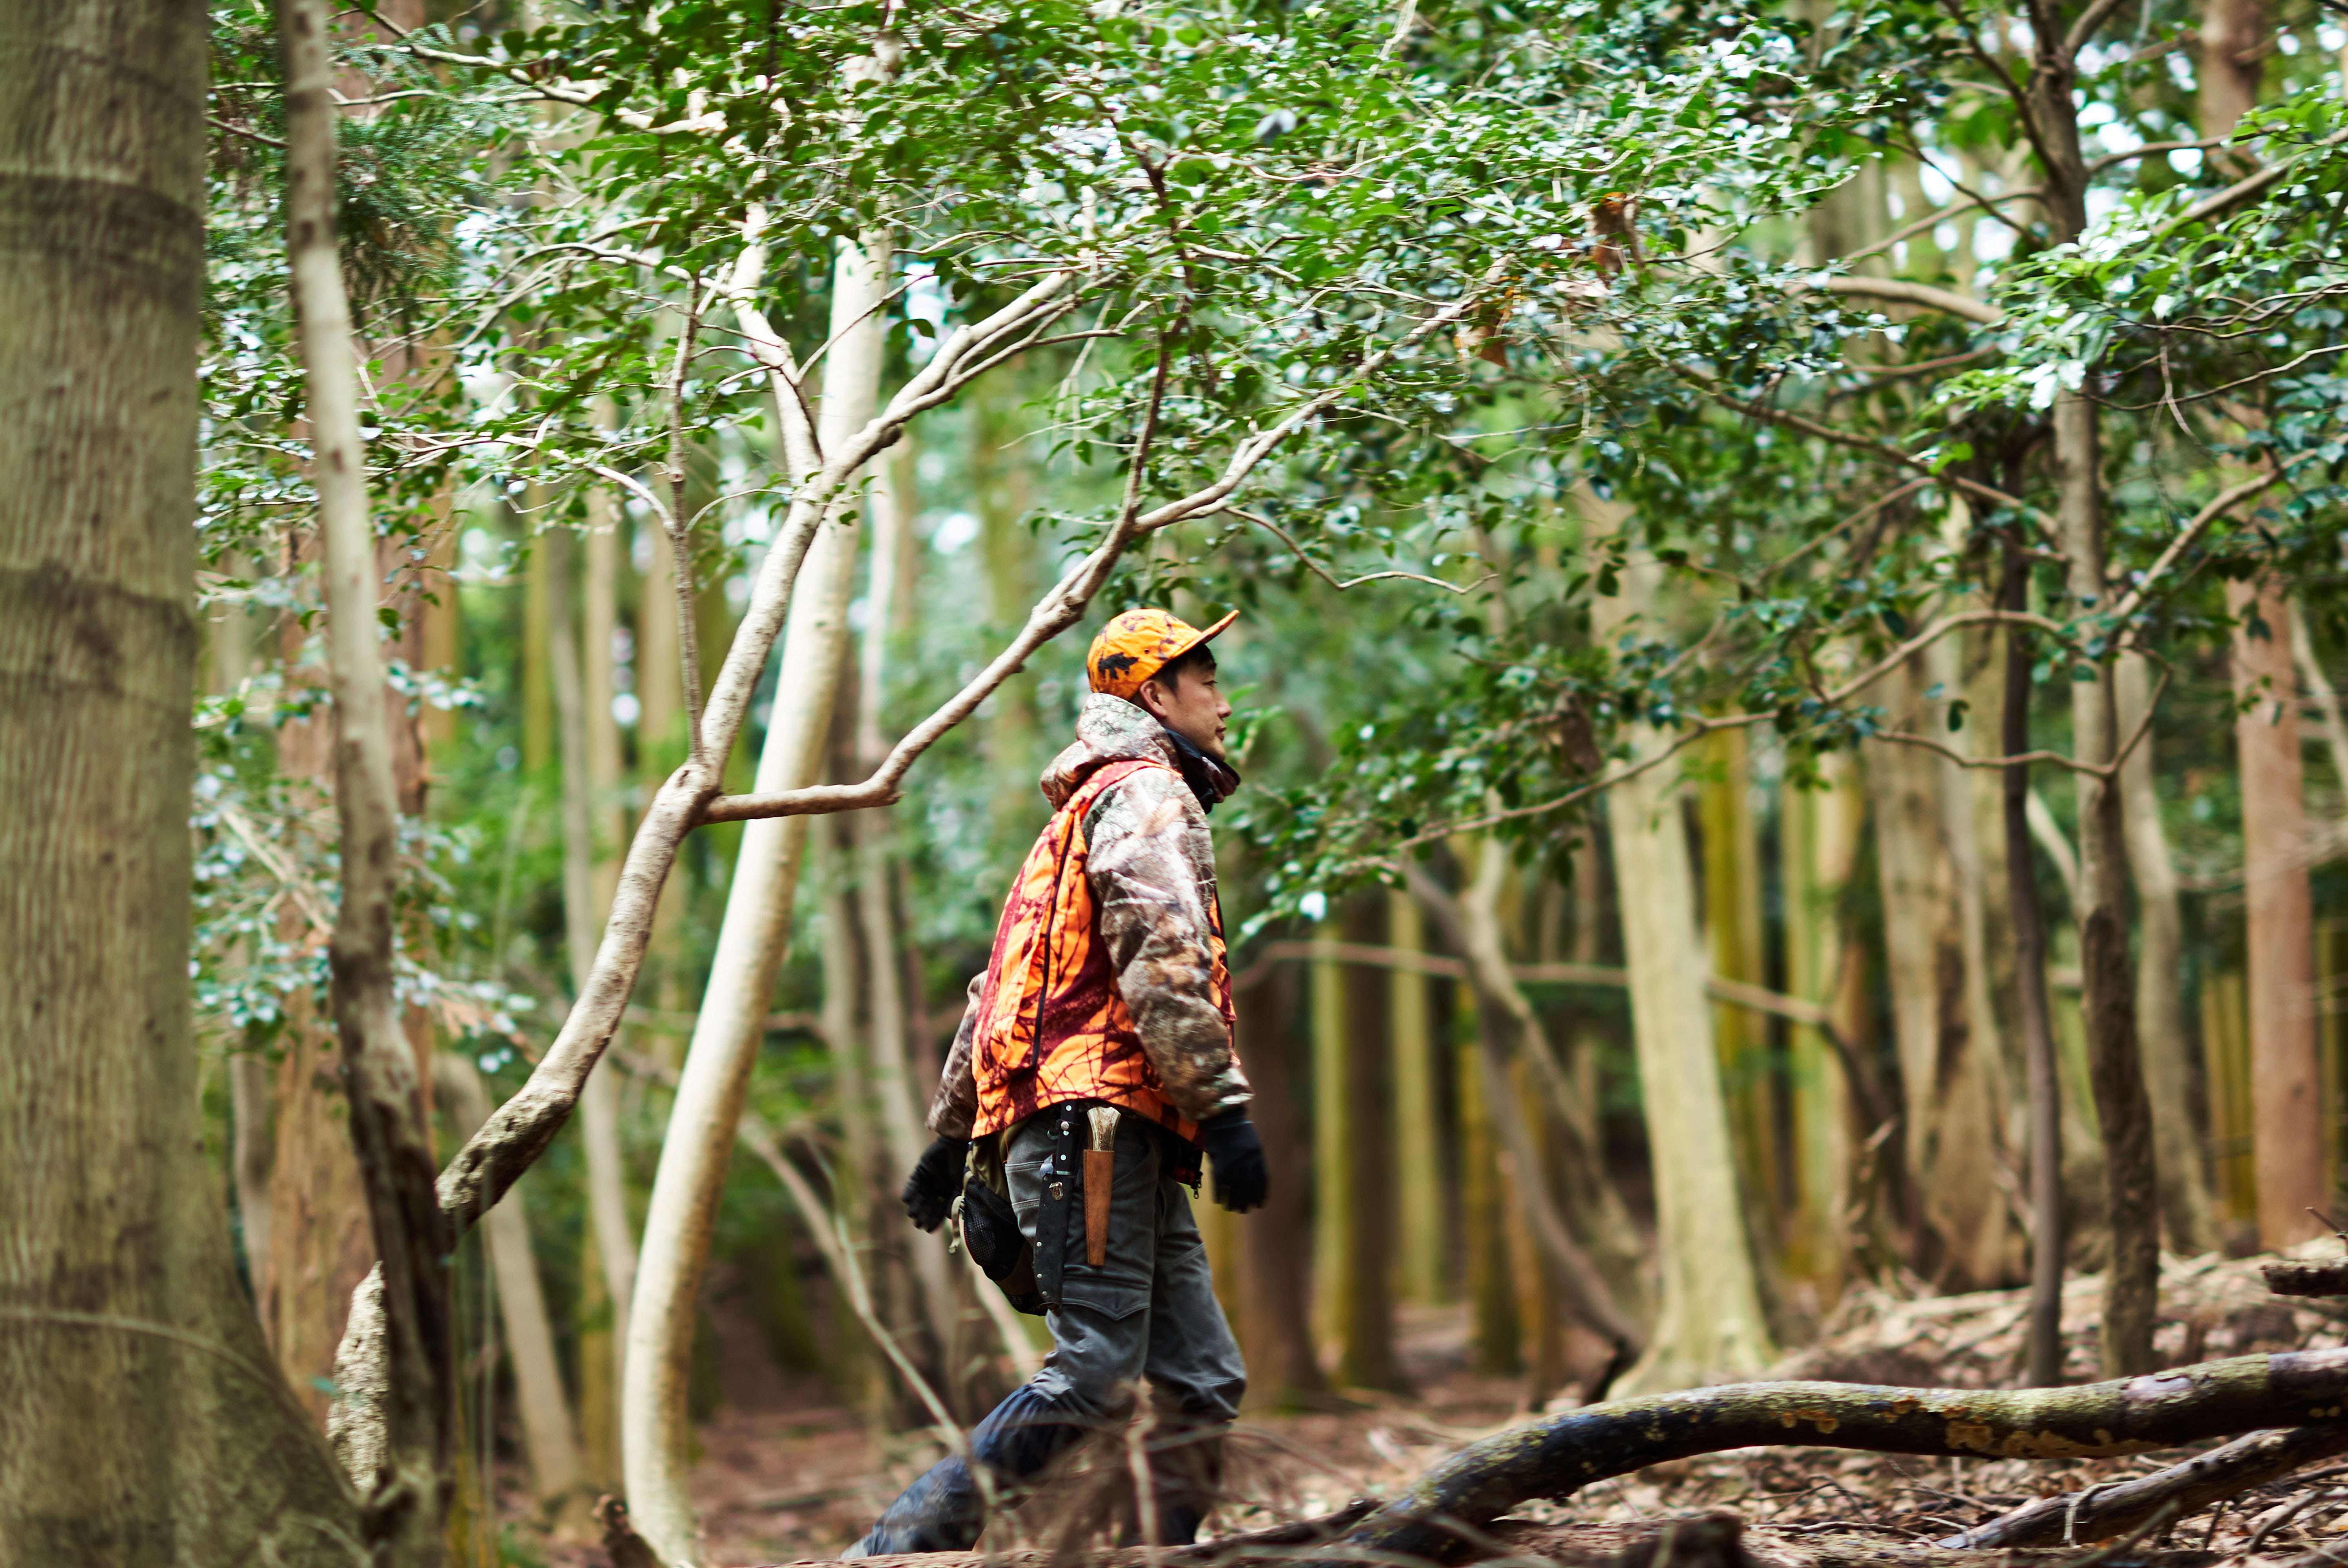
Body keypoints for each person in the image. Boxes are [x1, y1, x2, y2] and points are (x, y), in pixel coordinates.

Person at [843, 607, 1269, 1557]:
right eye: (1207, 680)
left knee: (1201, 1381)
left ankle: (1153, 1555)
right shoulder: (1148, 795)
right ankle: (894, 1551)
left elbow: (1000, 989)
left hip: (1118, 1135)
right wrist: (1224, 1108)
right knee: (1095, 1374)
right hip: (1096, 1134)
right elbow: (1163, 959)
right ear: (1154, 693)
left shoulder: (1078, 813)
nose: (1225, 701)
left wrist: (952, 1137)